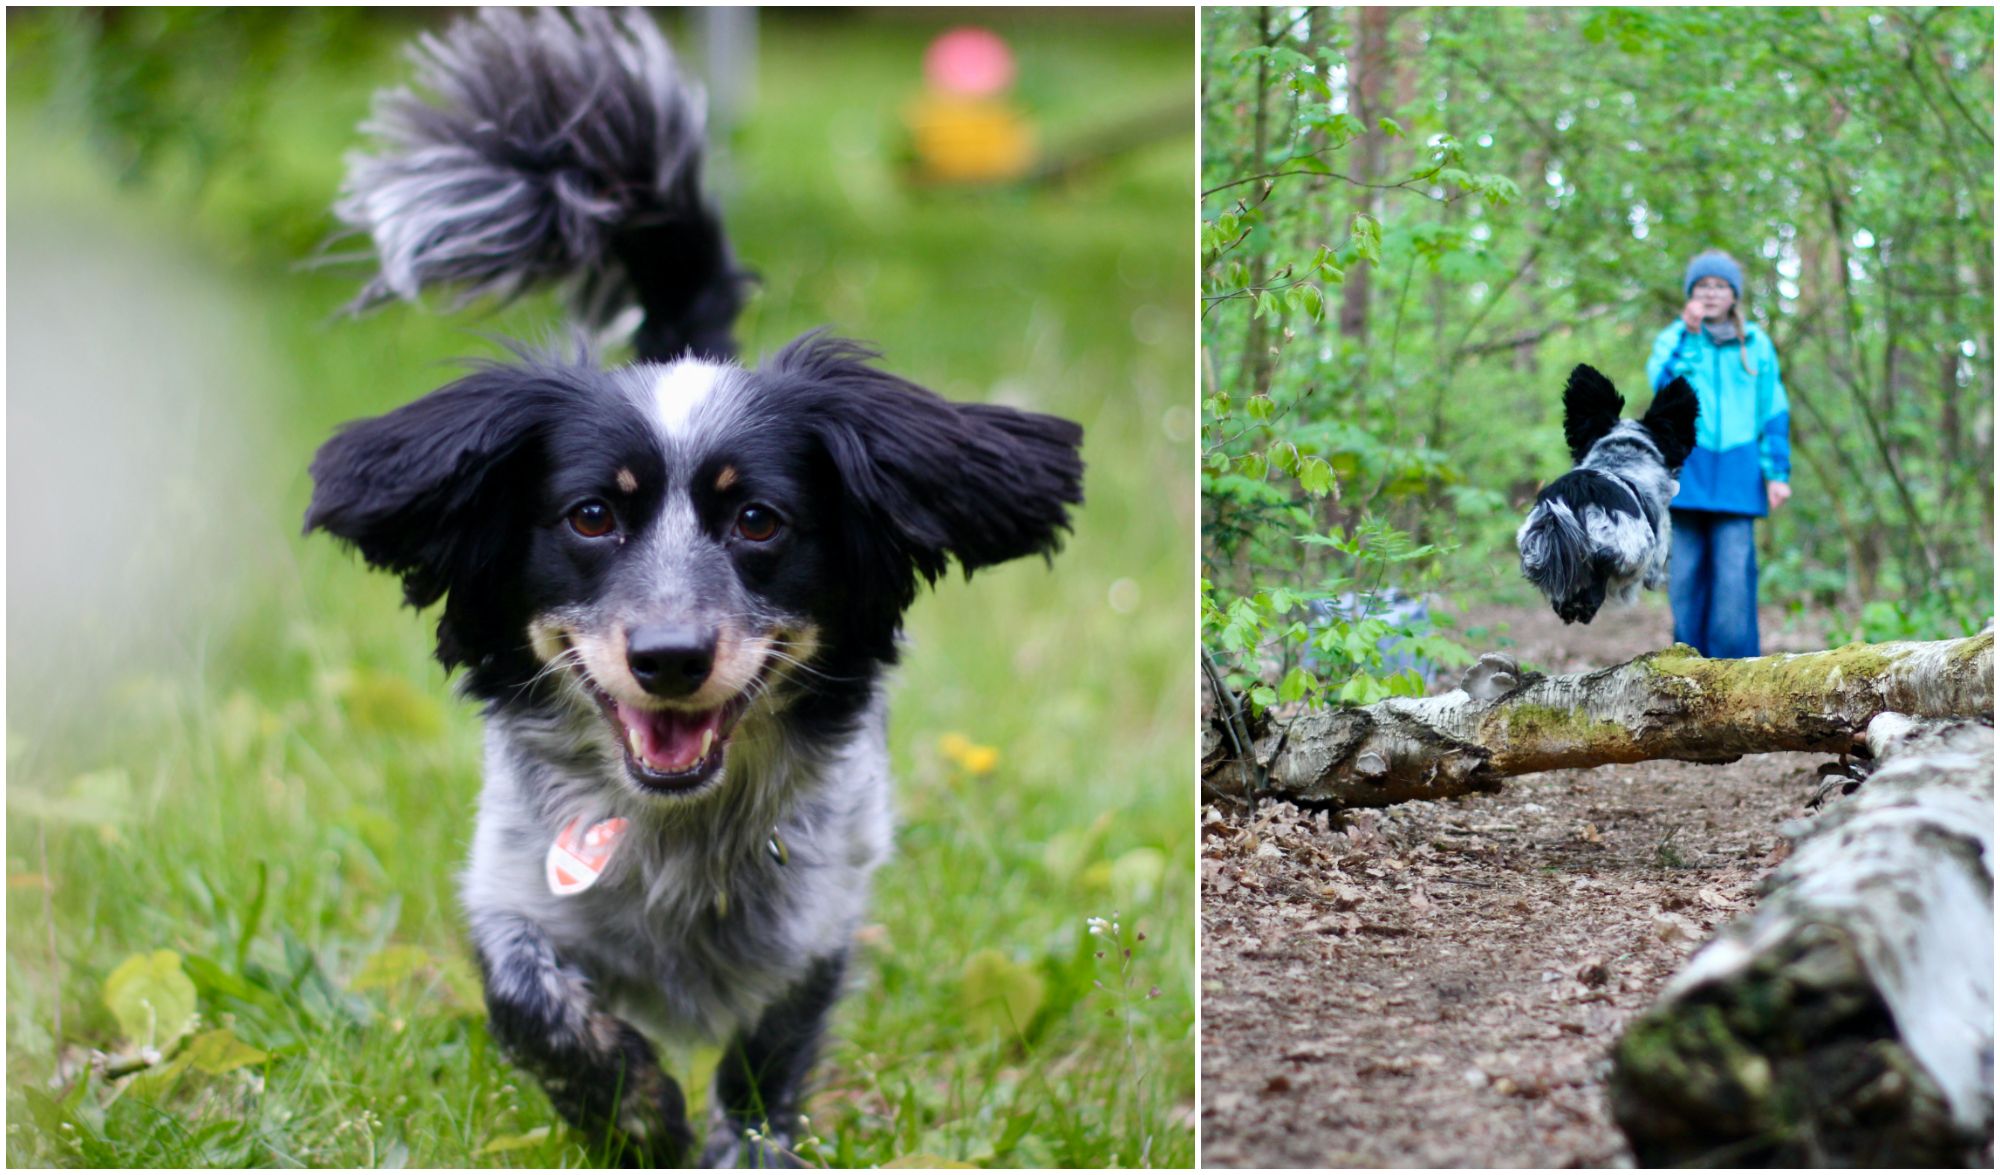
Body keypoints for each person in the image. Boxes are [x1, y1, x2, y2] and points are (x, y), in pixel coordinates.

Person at [1645, 250, 1791, 659]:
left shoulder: (1756, 344)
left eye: (1720, 286)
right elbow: (1662, 388)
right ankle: (1688, 671)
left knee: (1733, 580)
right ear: (1691, 294)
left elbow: (1773, 409)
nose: (1710, 294)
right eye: (1702, 286)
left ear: (1734, 295)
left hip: (1739, 473)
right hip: (1686, 472)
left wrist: (1777, 472)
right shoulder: (1674, 337)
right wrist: (1689, 336)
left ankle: (1738, 671)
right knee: (1687, 578)